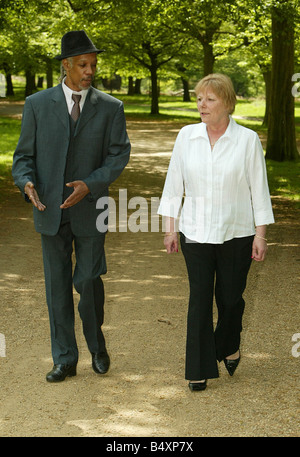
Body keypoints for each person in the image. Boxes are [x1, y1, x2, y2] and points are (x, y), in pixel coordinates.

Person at [12, 30, 130, 382]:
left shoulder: (110, 107)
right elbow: (23, 157)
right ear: (66, 65)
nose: (90, 70)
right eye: (83, 64)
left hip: (91, 208)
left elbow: (118, 154)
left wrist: (90, 183)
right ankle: (64, 358)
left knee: (89, 279)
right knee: (57, 286)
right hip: (49, 210)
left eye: (93, 64)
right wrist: (26, 183)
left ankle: (97, 346)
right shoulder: (36, 104)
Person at [158, 73, 274, 391]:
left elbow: (259, 191)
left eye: (210, 99)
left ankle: (228, 344)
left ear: (227, 103)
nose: (202, 105)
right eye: (199, 99)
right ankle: (198, 369)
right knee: (199, 299)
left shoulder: (247, 140)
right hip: (195, 233)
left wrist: (260, 234)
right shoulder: (186, 136)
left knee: (231, 299)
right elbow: (173, 185)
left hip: (237, 233)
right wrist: (169, 228)